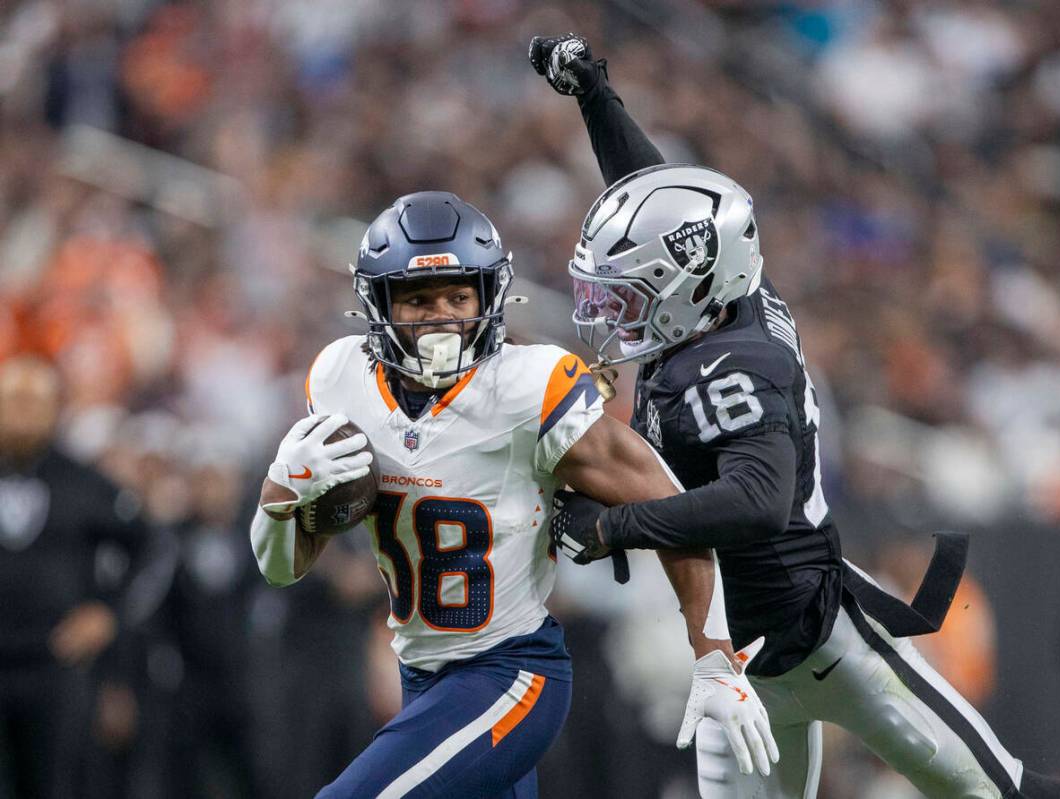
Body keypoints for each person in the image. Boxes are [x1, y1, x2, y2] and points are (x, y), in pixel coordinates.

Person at [529, 34, 1060, 799]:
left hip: (829, 644)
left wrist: (613, 526)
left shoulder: (732, 366)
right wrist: (596, 95)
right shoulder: (725, 296)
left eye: (629, 292)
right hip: (735, 661)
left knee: (999, 791)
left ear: (687, 287)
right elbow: (656, 187)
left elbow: (756, 501)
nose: (613, 312)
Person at [248, 191, 778, 798]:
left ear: (490, 296)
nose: (442, 316)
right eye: (418, 299)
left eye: (458, 295)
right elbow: (280, 566)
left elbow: (671, 505)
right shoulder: (341, 380)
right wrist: (282, 490)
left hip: (511, 674)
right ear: (380, 304)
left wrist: (713, 656)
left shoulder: (527, 388)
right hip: (421, 676)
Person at [0, 355, 152, 799]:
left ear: (56, 409)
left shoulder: (82, 481)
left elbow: (150, 547)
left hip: (56, 665)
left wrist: (110, 613)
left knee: (54, 785)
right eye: (14, 400)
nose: (24, 412)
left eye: (36, 401)